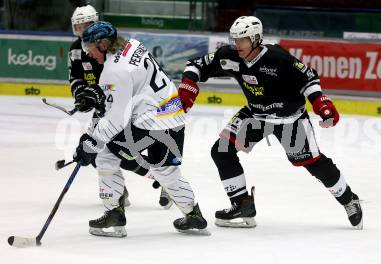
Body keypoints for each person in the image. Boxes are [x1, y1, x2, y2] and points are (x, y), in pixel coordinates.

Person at [178, 16, 363, 229]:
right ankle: (241, 205)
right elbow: (195, 65)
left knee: (312, 163)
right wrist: (188, 86)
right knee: (221, 151)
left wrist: (320, 102)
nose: (237, 44)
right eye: (235, 39)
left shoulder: (278, 57)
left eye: (243, 40)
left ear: (256, 39)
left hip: (290, 119)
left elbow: (308, 78)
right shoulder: (229, 56)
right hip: (255, 115)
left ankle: (349, 199)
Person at [73, 21, 209, 237]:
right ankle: (193, 215)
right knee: (166, 170)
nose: (89, 54)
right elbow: (129, 86)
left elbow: (116, 120)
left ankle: (113, 213)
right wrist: (101, 93)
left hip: (150, 124)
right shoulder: (133, 45)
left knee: (105, 153)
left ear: (104, 44)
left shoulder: (113, 71)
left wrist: (91, 141)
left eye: (90, 48)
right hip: (174, 117)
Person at [69, 4, 172, 209]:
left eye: (87, 25)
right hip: (105, 106)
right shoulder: (76, 50)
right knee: (97, 149)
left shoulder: (109, 45)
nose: (82, 31)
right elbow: (75, 78)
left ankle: (163, 179)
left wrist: (97, 93)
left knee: (108, 148)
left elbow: (119, 81)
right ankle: (121, 191)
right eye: (78, 27)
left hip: (124, 105)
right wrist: (82, 96)